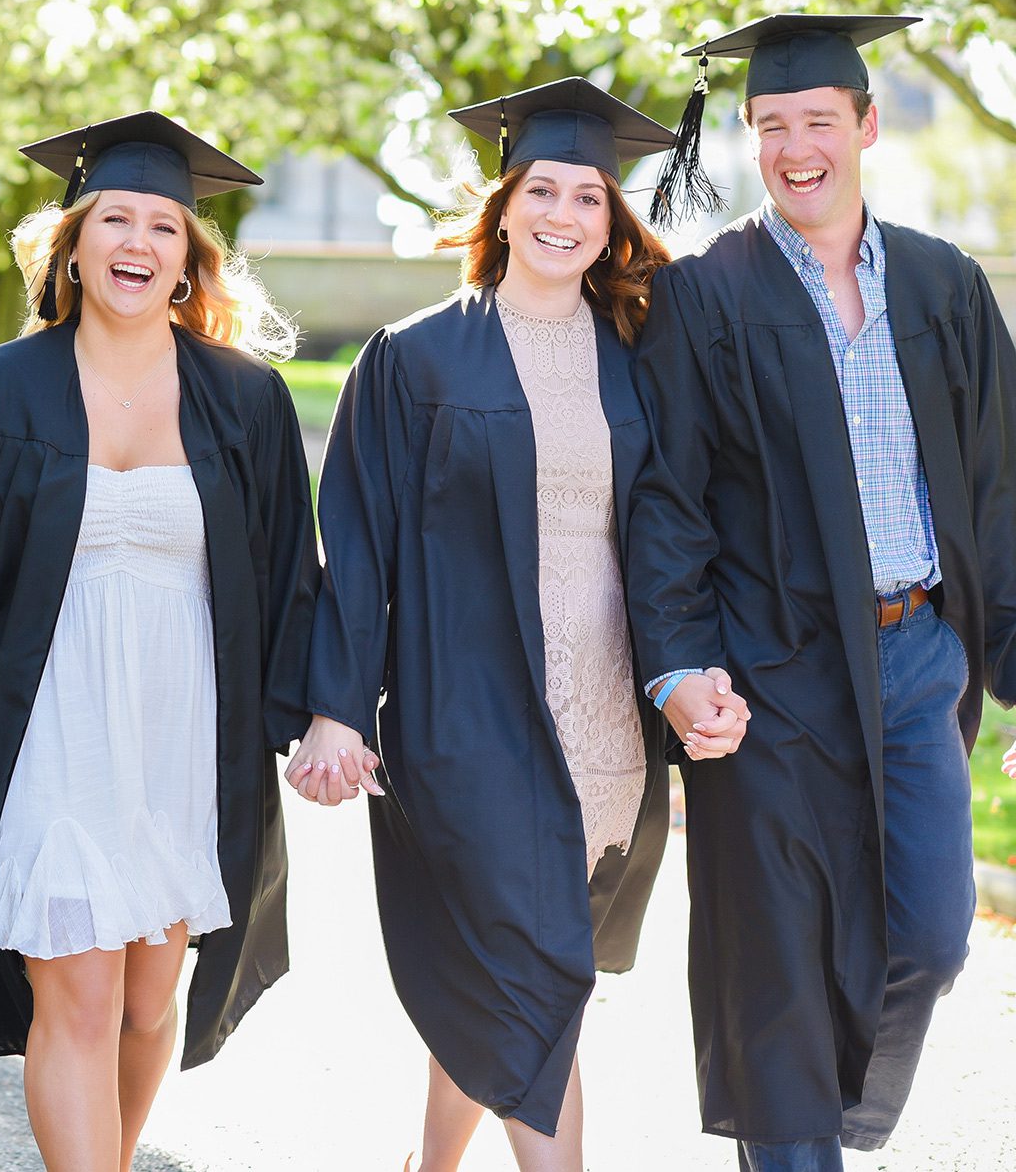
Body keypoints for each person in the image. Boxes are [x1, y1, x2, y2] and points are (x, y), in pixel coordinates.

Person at [294, 80, 720, 1171]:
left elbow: (675, 534)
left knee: (513, 971)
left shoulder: (636, 354)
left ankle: (427, 1168)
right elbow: (359, 541)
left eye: (588, 196)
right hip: (467, 712)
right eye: (542, 189)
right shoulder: (417, 356)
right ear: (501, 204)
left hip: (607, 715)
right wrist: (337, 712)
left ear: (610, 221)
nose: (563, 215)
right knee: (534, 972)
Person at [628, 13, 1016, 1171]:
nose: (795, 147)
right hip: (771, 667)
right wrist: (679, 664)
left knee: (930, 938)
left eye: (816, 121)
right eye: (770, 125)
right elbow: (666, 503)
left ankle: (822, 1118)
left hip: (915, 662)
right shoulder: (705, 296)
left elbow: (1000, 491)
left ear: (865, 126)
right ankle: (795, 1139)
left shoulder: (945, 285)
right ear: (749, 139)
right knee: (779, 963)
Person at [0, 112, 315, 1171]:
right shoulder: (0, 388)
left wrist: (317, 715)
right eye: (114, 221)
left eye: (161, 227)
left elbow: (287, 571)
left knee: (146, 1002)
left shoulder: (245, 400)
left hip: (182, 726)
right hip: (46, 719)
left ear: (189, 260)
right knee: (79, 999)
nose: (136, 244)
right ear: (74, 241)